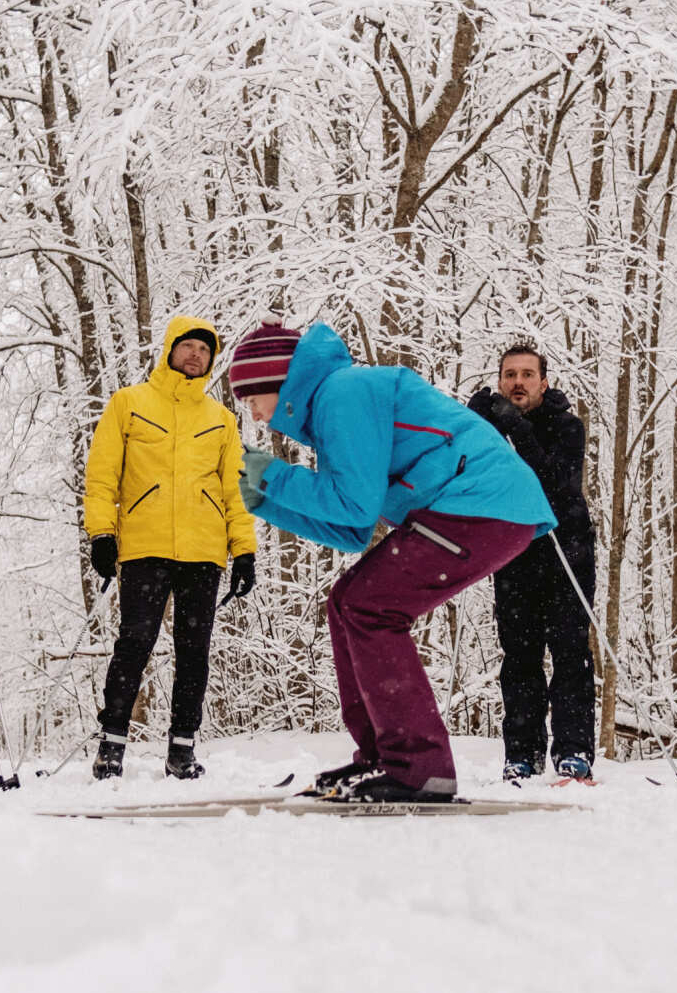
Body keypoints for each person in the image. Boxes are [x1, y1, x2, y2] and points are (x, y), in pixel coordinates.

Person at [228, 320, 555, 803]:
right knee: (348, 601)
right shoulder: (332, 405)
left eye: (252, 399)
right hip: (477, 510)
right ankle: (385, 757)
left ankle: (417, 766)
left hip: (482, 504)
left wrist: (273, 476)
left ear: (276, 379)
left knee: (369, 605)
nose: (254, 416)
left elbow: (352, 507)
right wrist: (264, 498)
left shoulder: (344, 393)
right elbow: (353, 530)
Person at [83, 315, 257, 781]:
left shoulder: (220, 419)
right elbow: (102, 477)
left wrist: (244, 550)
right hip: (145, 547)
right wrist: (101, 533)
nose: (197, 355)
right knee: (134, 644)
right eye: (189, 346)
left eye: (205, 350)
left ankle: (182, 749)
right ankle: (112, 745)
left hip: (204, 551)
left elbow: (234, 490)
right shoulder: (130, 404)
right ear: (170, 349)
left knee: (194, 651)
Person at [467, 344, 597, 783]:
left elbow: (552, 485)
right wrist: (473, 427)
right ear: (500, 380)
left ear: (544, 382)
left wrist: (511, 426)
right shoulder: (491, 431)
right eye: (509, 375)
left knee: (569, 653)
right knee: (519, 657)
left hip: (567, 551)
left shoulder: (568, 427)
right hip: (514, 552)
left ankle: (574, 751)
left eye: (526, 374)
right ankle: (521, 754)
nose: (517, 382)